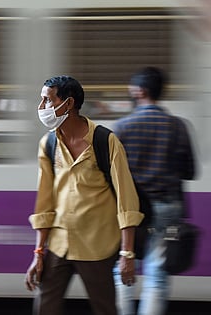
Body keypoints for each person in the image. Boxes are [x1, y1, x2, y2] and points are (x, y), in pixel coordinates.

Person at [25, 75, 144, 315]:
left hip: (97, 245)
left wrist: (127, 253)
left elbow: (126, 199)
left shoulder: (105, 141)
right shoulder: (48, 144)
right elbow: (44, 202)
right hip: (60, 244)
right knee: (45, 307)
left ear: (68, 104)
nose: (42, 107)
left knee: (104, 309)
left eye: (47, 100)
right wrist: (38, 253)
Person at [113, 67, 196, 315]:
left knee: (122, 267)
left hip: (131, 209)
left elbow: (112, 173)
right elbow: (190, 171)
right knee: (157, 274)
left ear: (140, 91)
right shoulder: (178, 126)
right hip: (167, 207)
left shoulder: (122, 127)